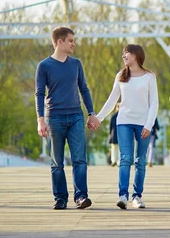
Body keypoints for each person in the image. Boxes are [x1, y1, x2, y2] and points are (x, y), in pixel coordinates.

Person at [35, 27, 100, 210]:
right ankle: (60, 198)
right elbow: (39, 94)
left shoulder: (76, 64)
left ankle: (81, 197)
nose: (74, 44)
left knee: (79, 159)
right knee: (57, 162)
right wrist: (40, 119)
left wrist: (91, 113)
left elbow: (84, 89)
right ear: (59, 42)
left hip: (76, 117)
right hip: (53, 118)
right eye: (70, 40)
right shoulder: (44, 66)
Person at [95, 44, 158, 209]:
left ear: (136, 55)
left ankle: (137, 196)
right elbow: (112, 100)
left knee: (140, 161)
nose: (124, 56)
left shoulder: (149, 77)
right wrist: (98, 118)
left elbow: (154, 104)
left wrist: (149, 125)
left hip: (143, 123)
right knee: (125, 159)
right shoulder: (120, 76)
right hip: (124, 121)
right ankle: (123, 195)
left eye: (127, 53)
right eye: (123, 54)